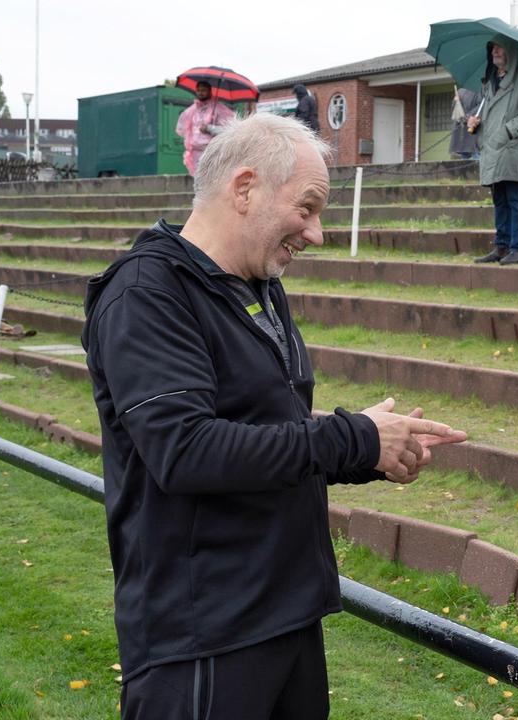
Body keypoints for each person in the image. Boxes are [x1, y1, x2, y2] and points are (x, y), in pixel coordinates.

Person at [81, 113, 467, 719]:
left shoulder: (256, 286)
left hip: (284, 615)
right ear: (244, 188)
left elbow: (267, 433)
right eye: (307, 208)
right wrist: (353, 439)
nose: (316, 233)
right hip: (204, 638)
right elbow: (185, 452)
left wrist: (372, 452)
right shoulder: (147, 294)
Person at [467, 37, 518, 266]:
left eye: (499, 47)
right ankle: (501, 246)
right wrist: (476, 123)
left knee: (515, 198)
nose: (495, 51)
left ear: (510, 51)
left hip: (512, 148)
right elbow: (491, 115)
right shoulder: (489, 83)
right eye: (492, 48)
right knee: (499, 199)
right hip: (492, 149)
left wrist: (508, 131)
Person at [175, 80, 237, 177]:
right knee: (198, 181)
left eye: (203, 90)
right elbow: (182, 128)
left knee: (211, 180)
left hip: (212, 151)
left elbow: (229, 130)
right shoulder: (192, 110)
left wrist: (209, 128)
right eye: (198, 90)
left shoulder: (219, 109)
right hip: (196, 152)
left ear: (209, 91)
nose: (200, 92)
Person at [449, 85, 482, 160]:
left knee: (476, 158)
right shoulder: (460, 91)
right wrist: (455, 101)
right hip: (461, 133)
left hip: (474, 130)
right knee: (464, 160)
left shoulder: (480, 91)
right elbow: (454, 112)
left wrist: (467, 117)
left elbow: (480, 107)